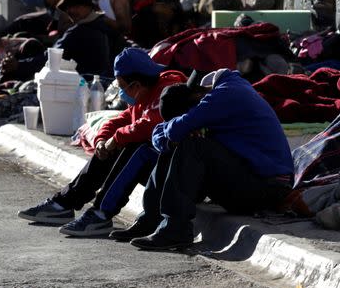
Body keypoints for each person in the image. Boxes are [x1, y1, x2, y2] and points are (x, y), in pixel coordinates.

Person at [111, 68, 294, 250]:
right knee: (179, 143)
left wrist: (174, 133)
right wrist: (170, 138)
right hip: (250, 180)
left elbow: (177, 129)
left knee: (192, 145)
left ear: (199, 96)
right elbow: (165, 134)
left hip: (269, 189)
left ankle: (176, 229)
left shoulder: (226, 94)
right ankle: (150, 219)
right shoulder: (224, 90)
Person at [17, 48, 187, 237]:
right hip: (158, 167)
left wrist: (115, 140)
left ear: (136, 85)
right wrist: (102, 140)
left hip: (175, 168)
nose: (121, 92)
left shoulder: (169, 88)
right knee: (109, 146)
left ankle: (101, 213)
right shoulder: (142, 96)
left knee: (135, 147)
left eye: (122, 86)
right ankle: (64, 203)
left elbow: (149, 125)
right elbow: (120, 120)